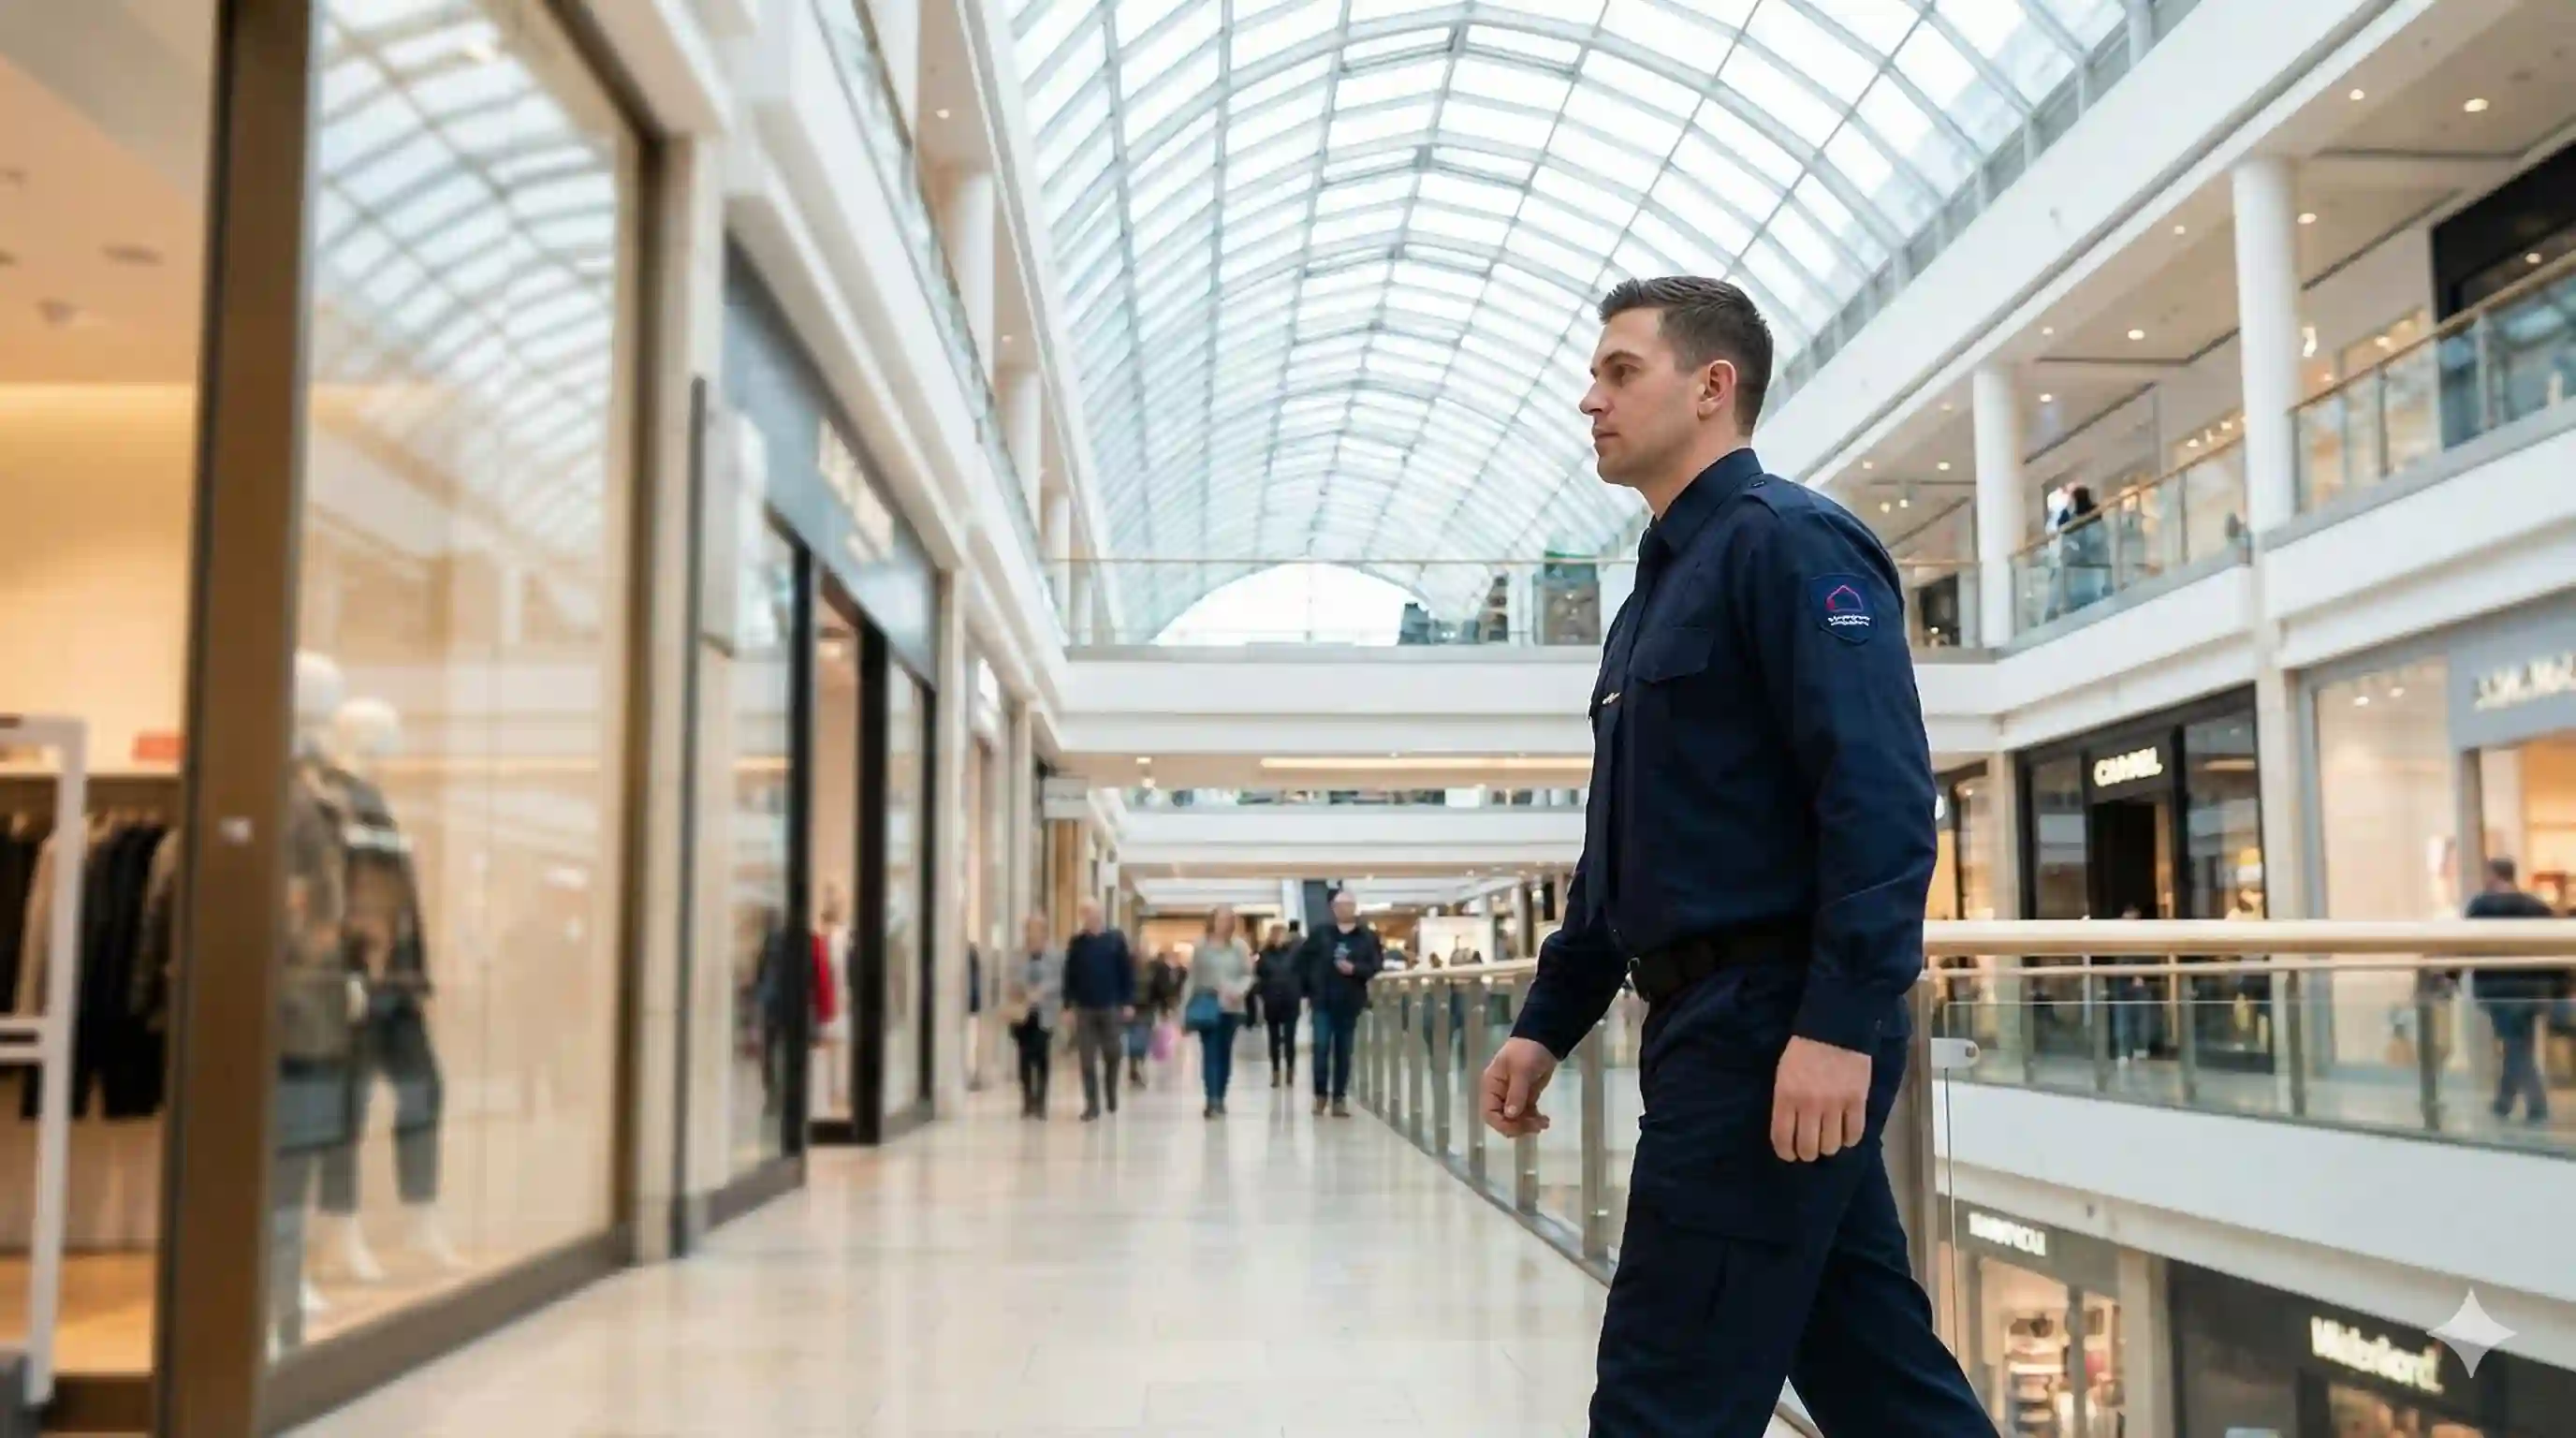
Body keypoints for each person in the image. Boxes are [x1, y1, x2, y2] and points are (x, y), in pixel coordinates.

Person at [1478, 276, 1991, 1436]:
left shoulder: (1791, 545)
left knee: (1665, 1391)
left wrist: (1835, 1024)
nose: (1589, 400)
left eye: (1620, 372)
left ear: (1712, 387)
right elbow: (1626, 846)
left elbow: (1880, 800)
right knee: (1875, 1372)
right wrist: (1546, 1019)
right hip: (1712, 1024)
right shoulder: (1654, 590)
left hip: (1768, 1030)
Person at [2466, 857, 2561, 1123]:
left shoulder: (2481, 907)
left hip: (2499, 988)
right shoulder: (2538, 907)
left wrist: (2449, 976)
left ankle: (2537, 1105)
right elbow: (2554, 950)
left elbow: (2466, 944)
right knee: (2517, 1044)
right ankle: (2503, 1101)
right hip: (2534, 988)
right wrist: (2559, 987)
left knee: (2515, 1046)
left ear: (2494, 875)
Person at [1298, 890, 1383, 1117]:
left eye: (1349, 904)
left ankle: (1339, 1098)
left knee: (1344, 1052)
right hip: (1323, 1001)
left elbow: (1376, 964)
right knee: (1321, 1047)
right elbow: (1302, 961)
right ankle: (1319, 1096)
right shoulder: (1320, 935)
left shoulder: (1367, 937)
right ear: (1333, 908)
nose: (1345, 909)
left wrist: (1355, 969)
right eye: (1341, 905)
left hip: (1350, 1002)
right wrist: (1308, 990)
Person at [1061, 899, 1134, 1122]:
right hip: (1084, 1007)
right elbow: (1069, 975)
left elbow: (1126, 972)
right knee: (1086, 1058)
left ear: (1101, 914)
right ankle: (1091, 1104)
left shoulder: (1115, 940)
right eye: (1085, 914)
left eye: (1092, 913)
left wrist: (1128, 1001)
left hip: (1110, 1005)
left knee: (1113, 1052)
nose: (1089, 917)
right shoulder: (1077, 943)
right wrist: (1067, 1005)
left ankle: (1111, 1091)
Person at [1187, 907, 1254, 1117]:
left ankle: (1220, 1095)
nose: (1224, 923)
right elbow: (1192, 979)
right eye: (1221, 919)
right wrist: (1184, 1009)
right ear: (1212, 922)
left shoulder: (1240, 947)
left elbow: (1248, 975)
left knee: (1224, 1053)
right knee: (1210, 1052)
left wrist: (1237, 990)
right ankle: (1212, 1100)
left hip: (1231, 1006)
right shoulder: (1201, 947)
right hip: (1207, 1003)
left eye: (1228, 920)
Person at [1005, 915, 1062, 1120]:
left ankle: (1041, 1101)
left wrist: (1041, 991)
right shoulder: (1018, 955)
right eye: (1030, 930)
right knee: (1024, 1056)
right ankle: (1027, 1098)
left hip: (1045, 1013)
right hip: (1023, 1013)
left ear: (1045, 933)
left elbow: (1059, 980)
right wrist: (1024, 989)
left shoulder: (1055, 956)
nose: (1033, 934)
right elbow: (1011, 978)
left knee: (1042, 1056)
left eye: (1038, 930)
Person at [1253, 921, 1304, 1089]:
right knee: (1273, 1038)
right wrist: (1263, 992)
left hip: (1290, 999)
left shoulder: (1295, 954)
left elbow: (1301, 974)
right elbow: (1258, 976)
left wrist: (1300, 991)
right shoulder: (1264, 954)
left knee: (1290, 1038)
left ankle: (1290, 1070)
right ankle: (1275, 1071)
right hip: (1272, 1000)